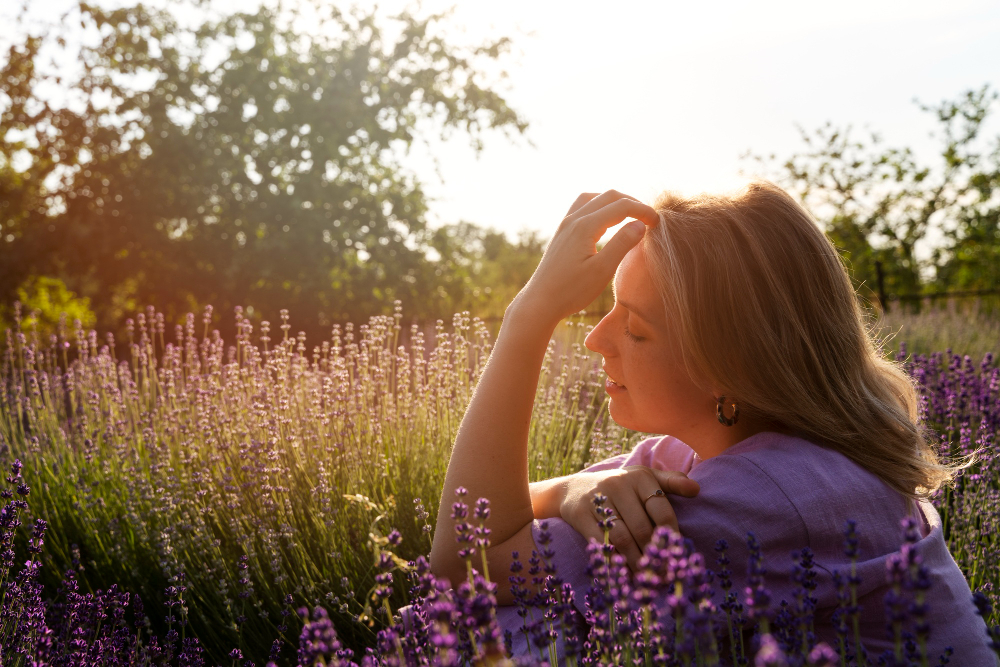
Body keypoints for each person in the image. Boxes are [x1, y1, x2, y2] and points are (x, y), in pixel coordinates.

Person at [428, 182, 995, 663]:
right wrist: (573, 489)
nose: (596, 340)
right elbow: (499, 513)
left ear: (728, 366)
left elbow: (461, 565)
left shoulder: (771, 494)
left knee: (505, 626)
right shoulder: (698, 454)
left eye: (636, 328)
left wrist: (527, 320)